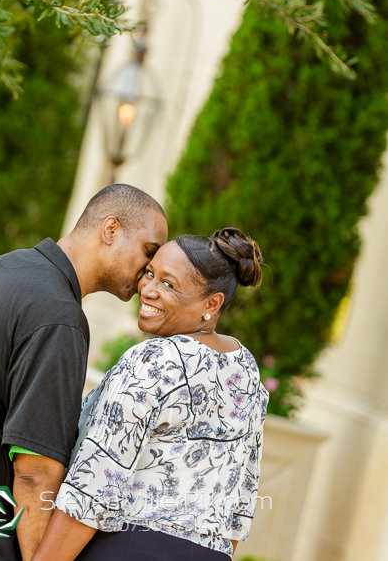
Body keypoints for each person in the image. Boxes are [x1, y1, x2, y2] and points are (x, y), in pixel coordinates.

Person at [0, 184, 168, 561]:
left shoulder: (5, 267)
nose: (149, 270)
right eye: (149, 251)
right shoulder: (59, 318)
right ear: (111, 230)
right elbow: (36, 474)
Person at [32, 227, 269, 561]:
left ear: (212, 303)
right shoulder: (246, 368)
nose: (148, 290)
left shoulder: (152, 359)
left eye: (168, 284)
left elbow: (97, 482)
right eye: (149, 274)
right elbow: (242, 493)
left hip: (128, 548)